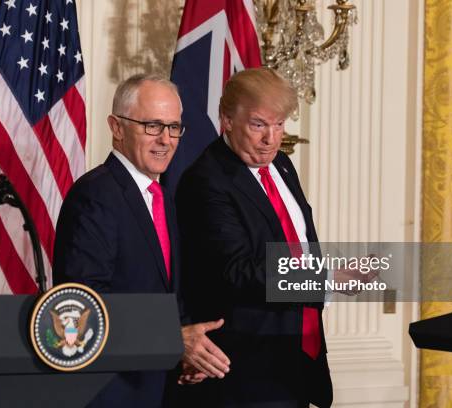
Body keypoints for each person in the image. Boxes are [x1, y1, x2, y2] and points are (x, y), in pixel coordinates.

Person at [172, 67, 372, 408]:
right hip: (247, 368)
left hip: (297, 354)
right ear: (226, 120)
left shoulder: (280, 165)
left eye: (279, 124)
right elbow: (238, 271)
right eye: (258, 125)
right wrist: (324, 278)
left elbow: (297, 246)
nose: (272, 138)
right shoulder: (207, 180)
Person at [52, 74, 229, 408]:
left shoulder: (159, 196)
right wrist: (172, 341)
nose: (166, 139)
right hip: (109, 392)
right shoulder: (96, 196)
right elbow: (80, 305)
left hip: (156, 387)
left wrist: (184, 353)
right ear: (117, 127)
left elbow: (164, 295)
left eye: (174, 127)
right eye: (152, 125)